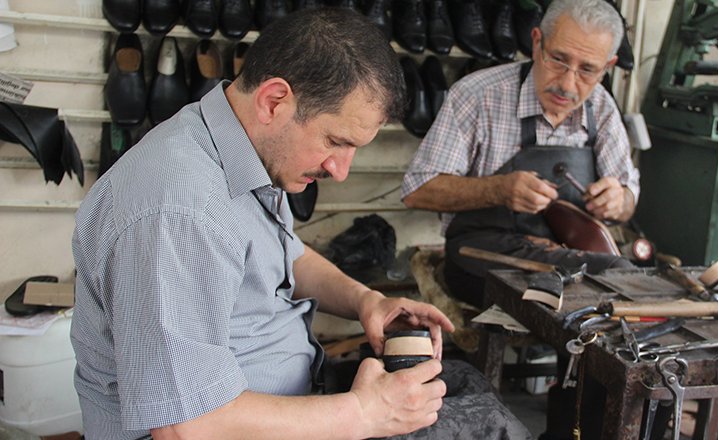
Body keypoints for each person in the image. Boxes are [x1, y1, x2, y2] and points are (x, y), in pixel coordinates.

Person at [71, 9, 529, 440]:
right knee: (491, 428)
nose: (341, 170)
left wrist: (366, 301)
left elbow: (285, 253)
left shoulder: (241, 148)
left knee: (463, 382)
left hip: (286, 395)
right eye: (335, 141)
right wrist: (364, 413)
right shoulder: (177, 210)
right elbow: (185, 426)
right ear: (274, 100)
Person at [402, 0, 640, 308]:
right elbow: (417, 190)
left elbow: (629, 200)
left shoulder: (603, 108)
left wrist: (619, 200)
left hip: (563, 252)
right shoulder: (478, 95)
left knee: (623, 278)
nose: (568, 84)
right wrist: (497, 189)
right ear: (537, 41)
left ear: (608, 67)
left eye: (587, 70)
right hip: (483, 253)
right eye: (558, 60)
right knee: (590, 285)